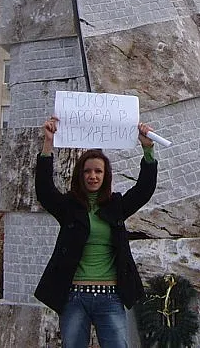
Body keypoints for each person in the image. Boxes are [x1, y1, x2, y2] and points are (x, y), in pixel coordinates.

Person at [34, 115, 158, 348]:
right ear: (80, 175)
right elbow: (44, 190)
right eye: (87, 172)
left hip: (110, 296)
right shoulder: (69, 207)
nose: (92, 176)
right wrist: (47, 144)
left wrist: (148, 149)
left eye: (98, 172)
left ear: (105, 176)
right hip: (74, 297)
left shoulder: (116, 206)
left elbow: (143, 190)